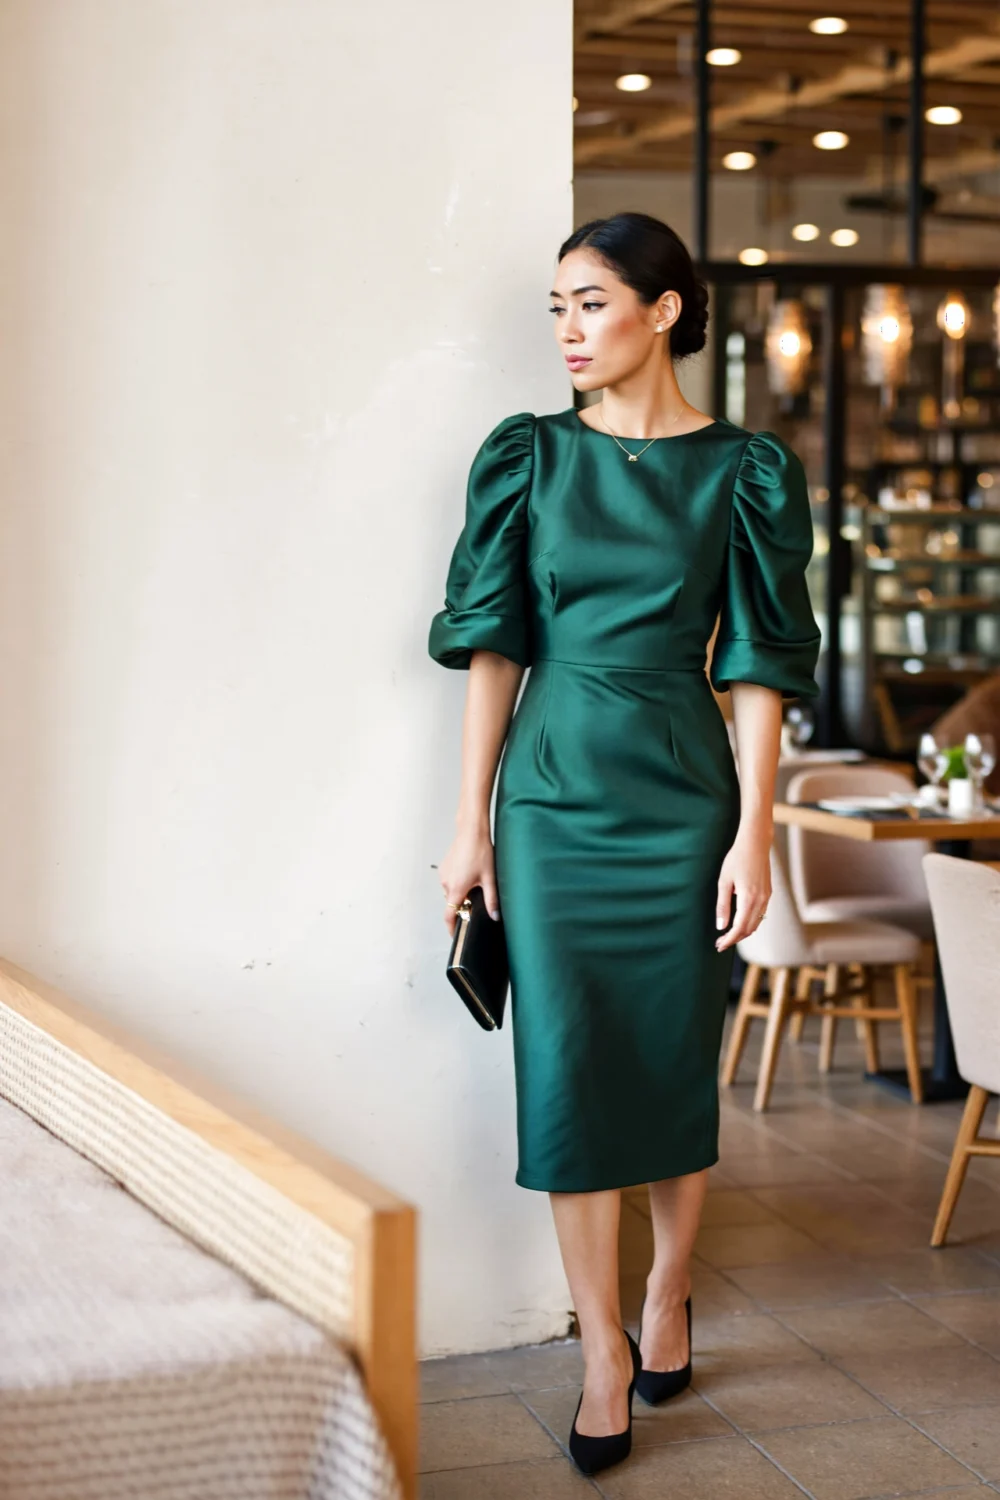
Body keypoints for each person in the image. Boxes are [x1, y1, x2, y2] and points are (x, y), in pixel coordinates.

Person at [427, 211, 820, 1477]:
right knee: (567, 1067)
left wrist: (755, 831)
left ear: (663, 310)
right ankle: (601, 1347)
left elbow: (758, 666)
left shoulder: (745, 469)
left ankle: (666, 1297)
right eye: (555, 309)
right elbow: (495, 646)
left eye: (589, 304)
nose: (566, 332)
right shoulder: (527, 458)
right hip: (549, 800)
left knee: (665, 1063)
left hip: (683, 795)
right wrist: (467, 826)